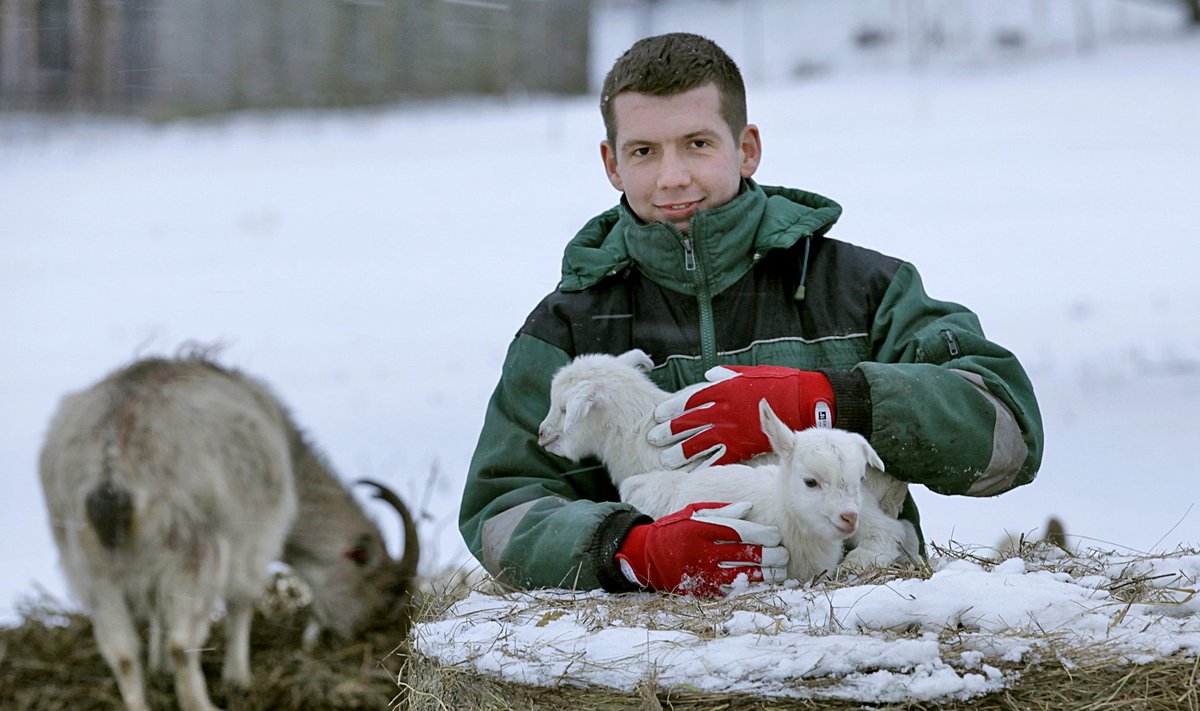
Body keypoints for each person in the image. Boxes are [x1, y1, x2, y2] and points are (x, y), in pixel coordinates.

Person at [459, 32, 1043, 597]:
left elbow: (1008, 434)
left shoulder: (862, 289)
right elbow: (501, 510)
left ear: (747, 149)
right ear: (612, 163)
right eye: (644, 151)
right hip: (657, 654)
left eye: (698, 143)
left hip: (871, 627)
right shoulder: (568, 327)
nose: (672, 177)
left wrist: (830, 399)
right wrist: (631, 550)